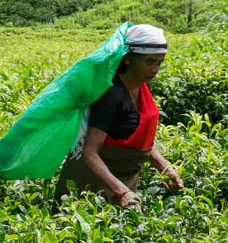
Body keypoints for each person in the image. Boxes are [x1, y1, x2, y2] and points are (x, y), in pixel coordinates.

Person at [54, 24, 184, 211]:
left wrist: (165, 168)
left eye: (159, 62)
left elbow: (141, 137)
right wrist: (122, 192)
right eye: (150, 61)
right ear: (129, 58)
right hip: (91, 183)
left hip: (123, 180)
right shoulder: (111, 95)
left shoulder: (141, 86)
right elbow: (89, 153)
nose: (156, 69)